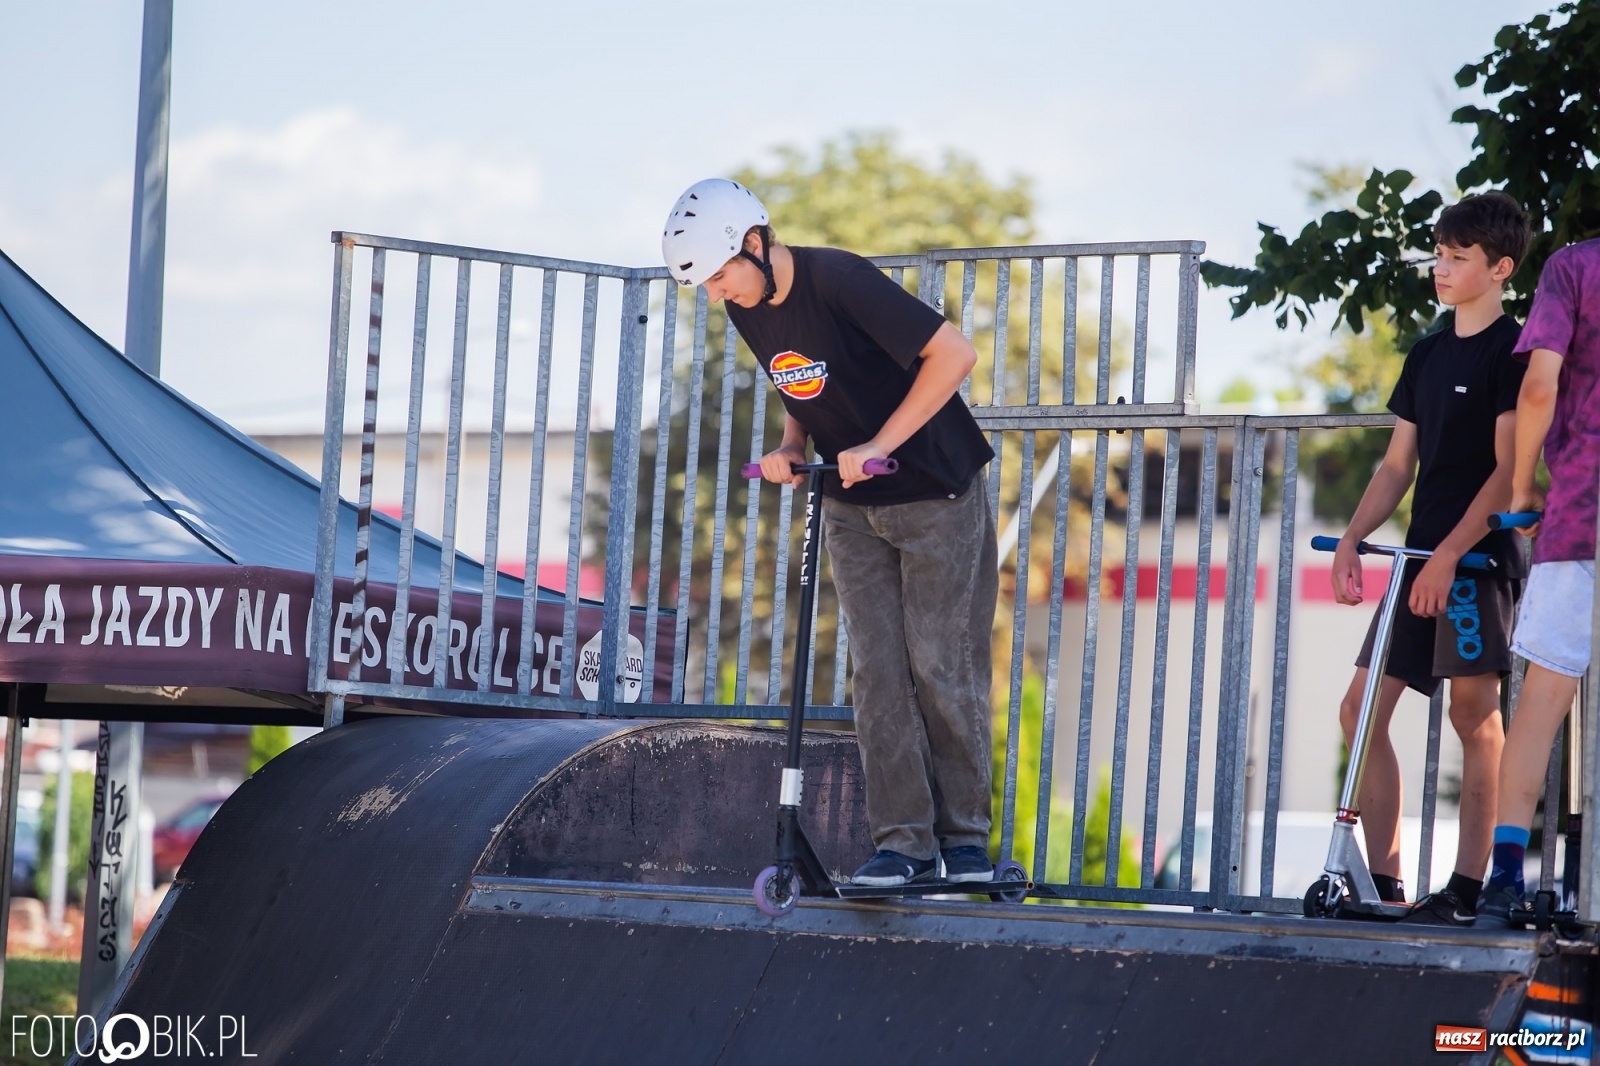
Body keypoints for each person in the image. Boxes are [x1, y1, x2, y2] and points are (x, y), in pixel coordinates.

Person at [662, 178, 998, 887]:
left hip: (935, 489)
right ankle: (904, 846)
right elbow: (802, 382)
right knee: (875, 674)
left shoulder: (839, 278)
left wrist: (878, 442)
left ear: (756, 243)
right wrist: (791, 446)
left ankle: (966, 844)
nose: (716, 295)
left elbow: (955, 356)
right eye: (707, 285)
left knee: (941, 665)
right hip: (851, 502)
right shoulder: (747, 305)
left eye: (719, 276)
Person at [1327, 192, 1532, 926]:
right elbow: (1396, 466)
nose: (1441, 269)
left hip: (1477, 561)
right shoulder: (1426, 353)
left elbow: (1508, 475)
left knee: (1474, 717)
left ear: (1500, 268)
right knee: (1360, 709)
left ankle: (1469, 888)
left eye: (1458, 257)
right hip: (1422, 557)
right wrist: (1352, 538)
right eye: (1438, 255)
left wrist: (1448, 556)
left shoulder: (1514, 352)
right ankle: (1386, 885)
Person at [1476, 235, 1600, 927]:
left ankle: (1503, 881)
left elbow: (1538, 385)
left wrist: (1523, 486)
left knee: (1541, 703)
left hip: (1580, 513)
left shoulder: (1574, 267)